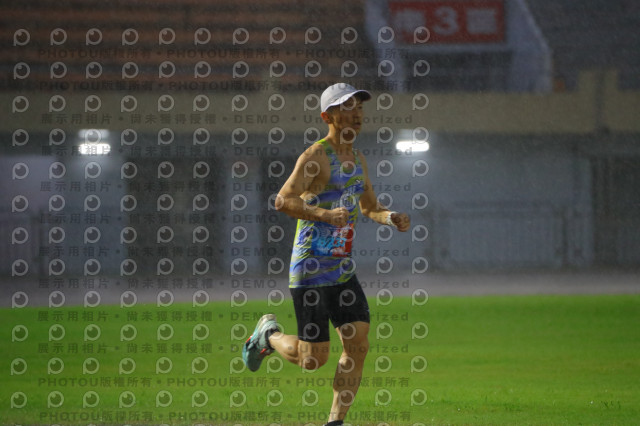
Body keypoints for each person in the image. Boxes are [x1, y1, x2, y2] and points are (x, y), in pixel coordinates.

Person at [242, 83, 411, 426]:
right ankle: (268, 336)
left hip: (341, 269)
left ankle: (335, 422)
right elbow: (283, 200)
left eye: (359, 107)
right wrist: (324, 214)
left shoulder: (359, 159)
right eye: (347, 107)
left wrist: (390, 217)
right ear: (328, 117)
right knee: (312, 359)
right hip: (311, 270)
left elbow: (370, 207)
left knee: (358, 345)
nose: (356, 114)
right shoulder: (315, 156)